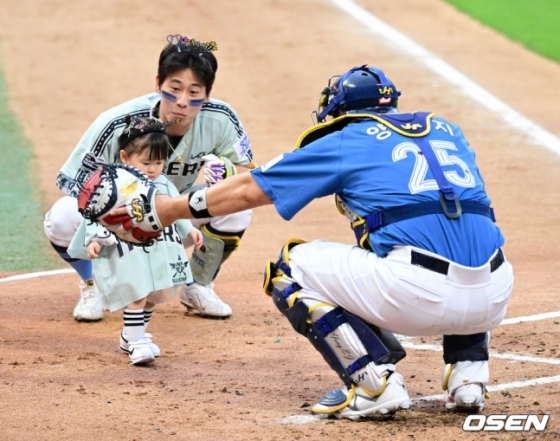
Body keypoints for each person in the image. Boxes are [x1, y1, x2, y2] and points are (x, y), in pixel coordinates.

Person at [113, 65, 514, 419]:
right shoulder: (447, 131)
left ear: (340, 111)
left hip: (416, 294)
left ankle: (374, 384)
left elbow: (251, 190)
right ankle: (469, 377)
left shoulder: (347, 140)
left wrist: (168, 210)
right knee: (461, 235)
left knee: (292, 267)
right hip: (495, 294)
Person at [43, 35, 256, 321]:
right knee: (61, 217)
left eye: (194, 92)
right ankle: (92, 283)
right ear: (158, 84)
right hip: (119, 220)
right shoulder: (118, 122)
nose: (182, 102)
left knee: (238, 204)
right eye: (175, 88)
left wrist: (227, 175)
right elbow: (75, 183)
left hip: (177, 217)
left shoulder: (221, 119)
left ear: (207, 94)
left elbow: (249, 175)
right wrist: (113, 214)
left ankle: (198, 284)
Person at [68, 115, 203, 365]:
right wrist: (95, 240)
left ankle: (131, 336)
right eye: (146, 162)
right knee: (138, 291)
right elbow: (97, 216)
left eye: (159, 162)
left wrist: (188, 230)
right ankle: (136, 341)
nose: (153, 169)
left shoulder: (163, 183)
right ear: (124, 158)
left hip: (161, 249)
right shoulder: (113, 186)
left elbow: (175, 208)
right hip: (128, 251)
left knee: (155, 294)